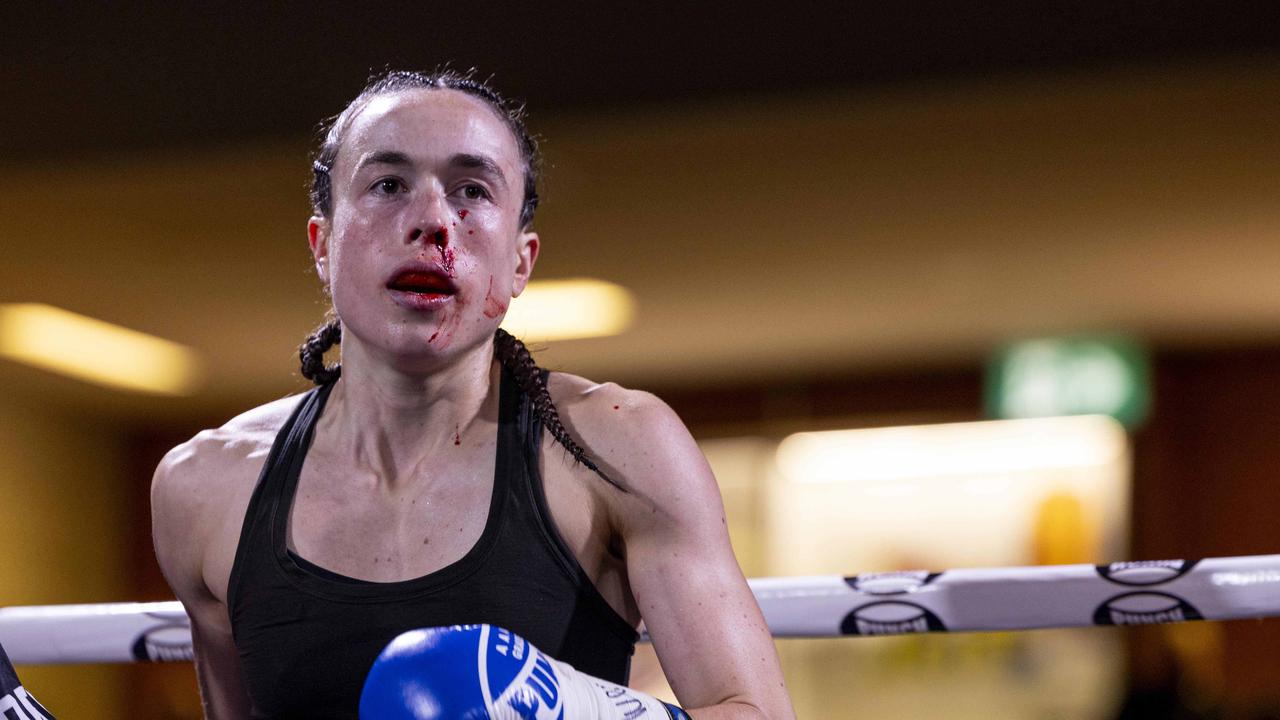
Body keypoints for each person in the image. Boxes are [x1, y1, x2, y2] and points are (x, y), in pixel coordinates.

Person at [151, 69, 793, 719]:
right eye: (388, 184)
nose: (432, 220)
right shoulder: (206, 487)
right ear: (323, 243)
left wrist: (575, 712)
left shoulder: (620, 447)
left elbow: (753, 711)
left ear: (521, 262)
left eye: (472, 190)